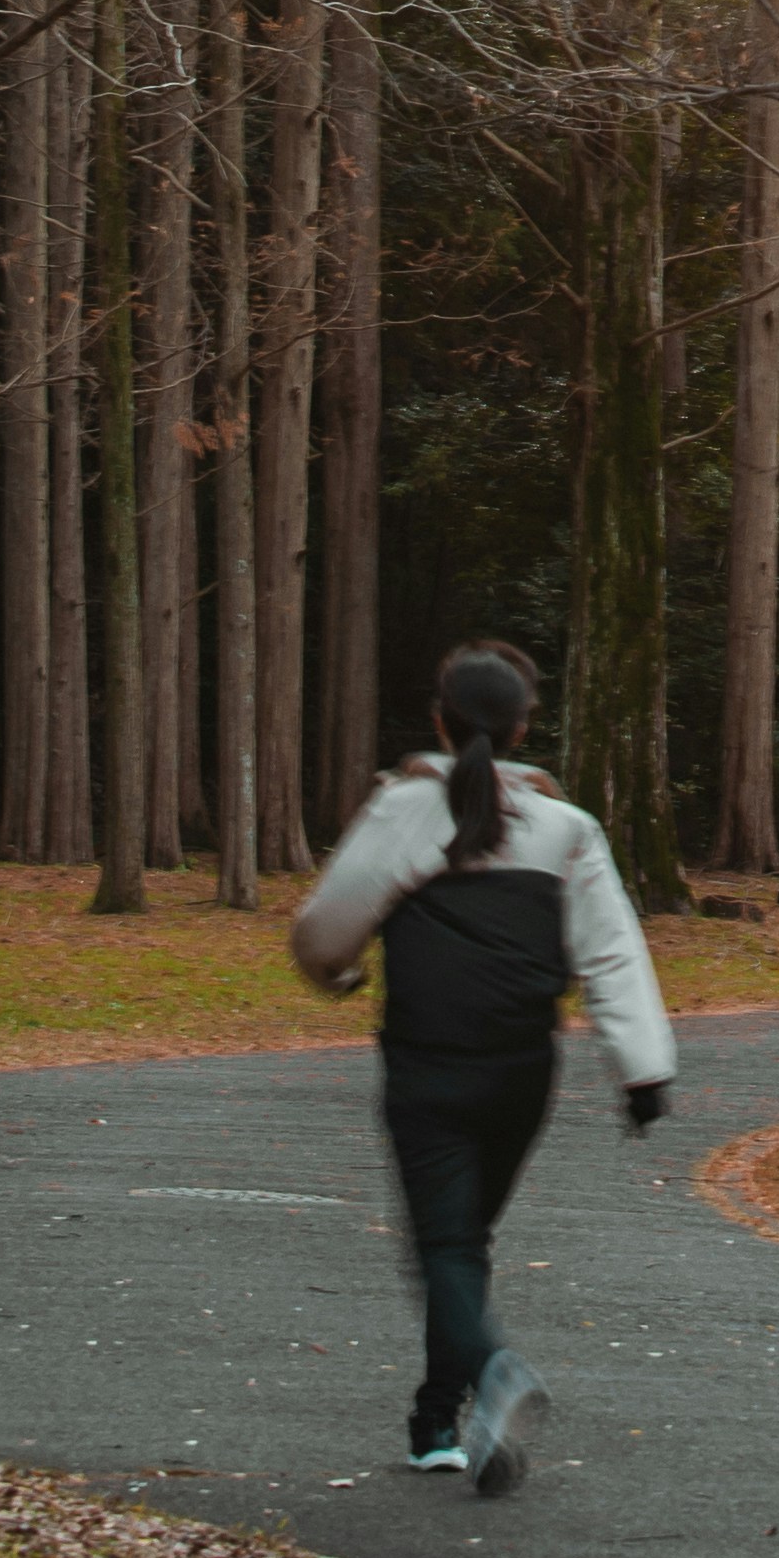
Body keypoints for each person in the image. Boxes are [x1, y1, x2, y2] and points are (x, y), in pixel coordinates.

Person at [290, 640, 677, 1495]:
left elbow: (323, 931)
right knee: (463, 1243)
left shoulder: (401, 813)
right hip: (521, 1074)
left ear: (439, 717)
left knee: (446, 1244)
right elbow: (612, 955)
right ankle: (437, 1421)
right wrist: (643, 1073)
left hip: (427, 1067)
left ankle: (493, 1371)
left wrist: (343, 977)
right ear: (523, 727)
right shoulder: (566, 829)